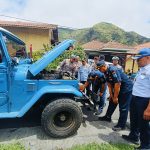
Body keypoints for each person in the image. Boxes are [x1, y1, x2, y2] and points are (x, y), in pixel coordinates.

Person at [122, 48, 150, 150]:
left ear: (148, 58)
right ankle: (133, 136)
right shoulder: (141, 69)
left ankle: (146, 146)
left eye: (139, 59)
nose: (137, 61)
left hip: (144, 101)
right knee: (134, 120)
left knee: (144, 125)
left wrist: (148, 109)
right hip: (135, 99)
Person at [97, 60, 133, 131]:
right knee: (112, 101)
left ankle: (121, 125)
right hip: (117, 87)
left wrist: (116, 97)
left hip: (126, 88)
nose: (99, 70)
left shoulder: (113, 70)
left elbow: (117, 84)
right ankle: (107, 117)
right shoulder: (105, 72)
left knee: (123, 107)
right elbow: (109, 84)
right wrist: (111, 95)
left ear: (104, 66)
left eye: (100, 68)